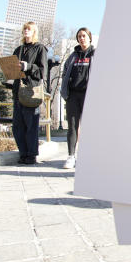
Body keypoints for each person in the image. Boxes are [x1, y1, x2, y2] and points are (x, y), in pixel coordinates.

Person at [10, 21, 47, 165]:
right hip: (18, 90)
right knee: (17, 126)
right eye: (24, 29)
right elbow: (13, 71)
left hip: (31, 90)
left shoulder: (40, 48)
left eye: (29, 29)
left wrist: (28, 66)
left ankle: (31, 155)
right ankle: (23, 153)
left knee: (31, 125)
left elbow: (42, 71)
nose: (26, 31)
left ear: (34, 32)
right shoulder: (18, 49)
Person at [59, 27, 94, 169]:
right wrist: (65, 91)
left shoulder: (95, 54)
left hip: (89, 95)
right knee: (72, 127)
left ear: (89, 38)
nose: (82, 38)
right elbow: (65, 72)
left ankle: (88, 157)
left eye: (84, 36)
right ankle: (71, 156)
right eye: (79, 36)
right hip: (73, 95)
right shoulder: (73, 56)